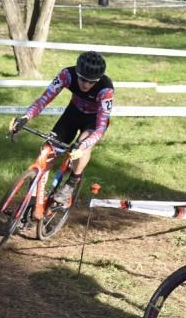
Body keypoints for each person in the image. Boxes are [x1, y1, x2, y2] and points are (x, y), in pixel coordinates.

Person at [9, 51, 114, 204]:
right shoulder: (67, 75)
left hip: (93, 120)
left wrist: (82, 145)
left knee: (83, 145)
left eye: (91, 82)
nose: (86, 84)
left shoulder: (106, 90)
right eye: (83, 79)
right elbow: (44, 99)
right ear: (77, 73)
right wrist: (26, 117)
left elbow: (100, 127)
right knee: (47, 150)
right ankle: (35, 198)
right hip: (72, 113)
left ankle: (71, 183)